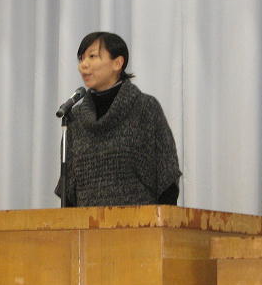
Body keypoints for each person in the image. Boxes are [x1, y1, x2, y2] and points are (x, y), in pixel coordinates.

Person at [55, 31, 181, 207]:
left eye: (92, 56)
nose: (83, 65)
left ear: (118, 63)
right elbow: (68, 192)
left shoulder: (145, 108)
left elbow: (167, 179)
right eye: (81, 59)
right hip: (86, 224)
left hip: (141, 222)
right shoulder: (74, 118)